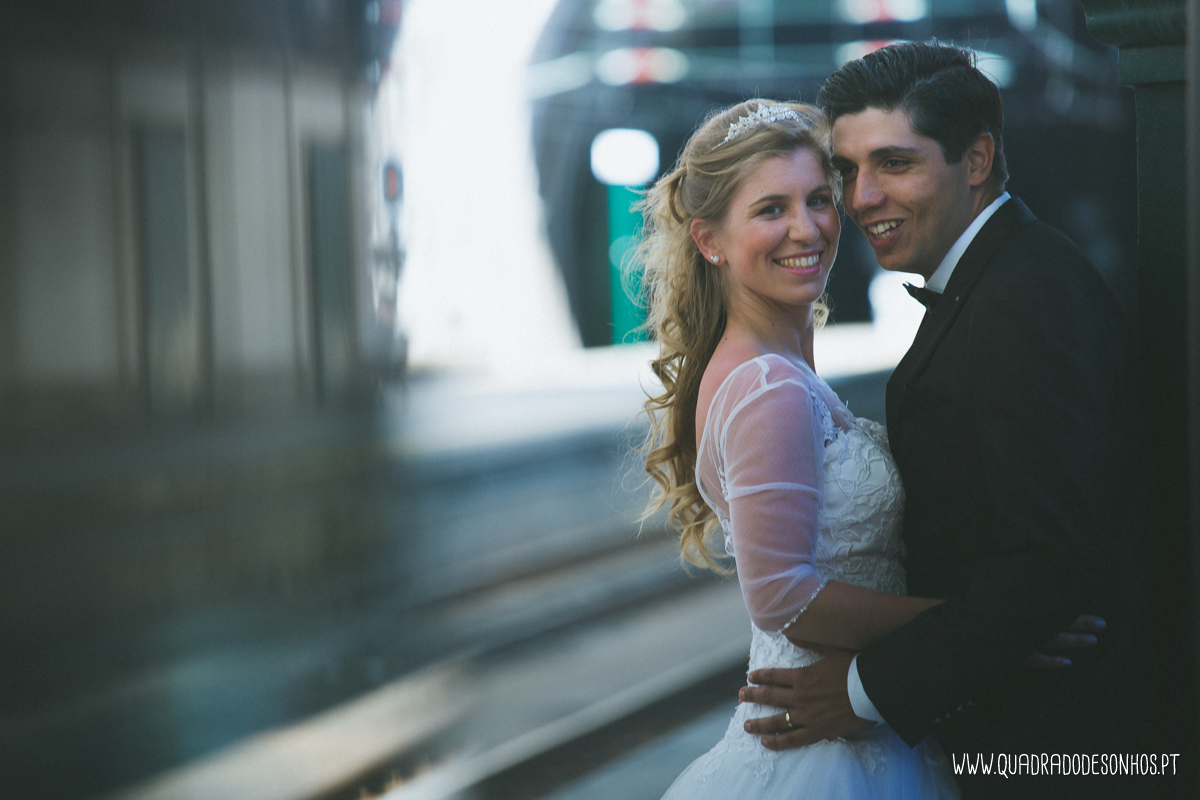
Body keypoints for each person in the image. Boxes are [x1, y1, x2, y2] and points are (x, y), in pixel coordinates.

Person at [737, 43, 1141, 799]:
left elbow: (1048, 562)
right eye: (849, 170)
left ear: (977, 158)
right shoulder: (994, 283)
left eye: (894, 163)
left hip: (1056, 755)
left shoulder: (1028, 298)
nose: (860, 199)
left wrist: (861, 691)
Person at [636, 98, 962, 797]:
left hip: (841, 723)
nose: (807, 227)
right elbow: (784, 596)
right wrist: (970, 628)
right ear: (709, 239)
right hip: (828, 750)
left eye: (819, 199)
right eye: (770, 210)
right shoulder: (765, 387)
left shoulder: (765, 366)